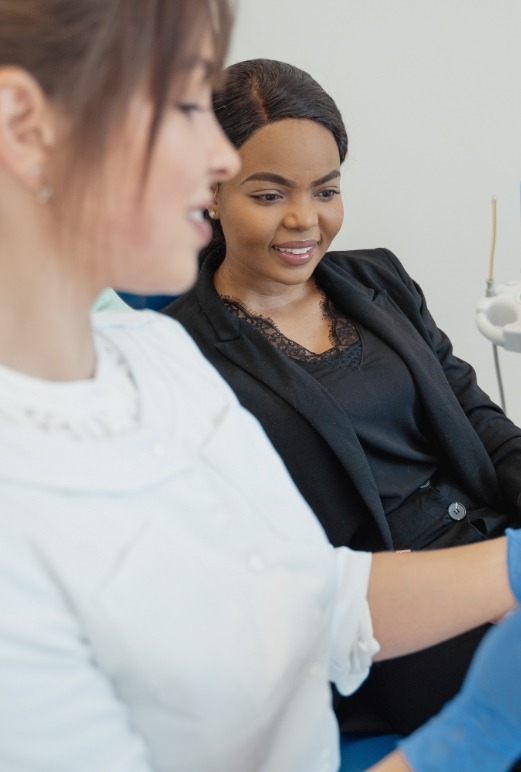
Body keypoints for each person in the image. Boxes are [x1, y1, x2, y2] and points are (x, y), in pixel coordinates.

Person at [0, 6, 520, 772]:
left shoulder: (150, 360)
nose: (218, 161)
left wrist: (509, 565)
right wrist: (464, 744)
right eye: (183, 105)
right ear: (25, 124)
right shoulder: (33, 500)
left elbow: (311, 599)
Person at [164, 57, 521, 736]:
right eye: (268, 195)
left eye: (324, 191)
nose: (305, 220)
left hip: (494, 536)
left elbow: (474, 414)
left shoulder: (377, 279)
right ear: (211, 189)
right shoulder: (179, 351)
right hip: (397, 611)